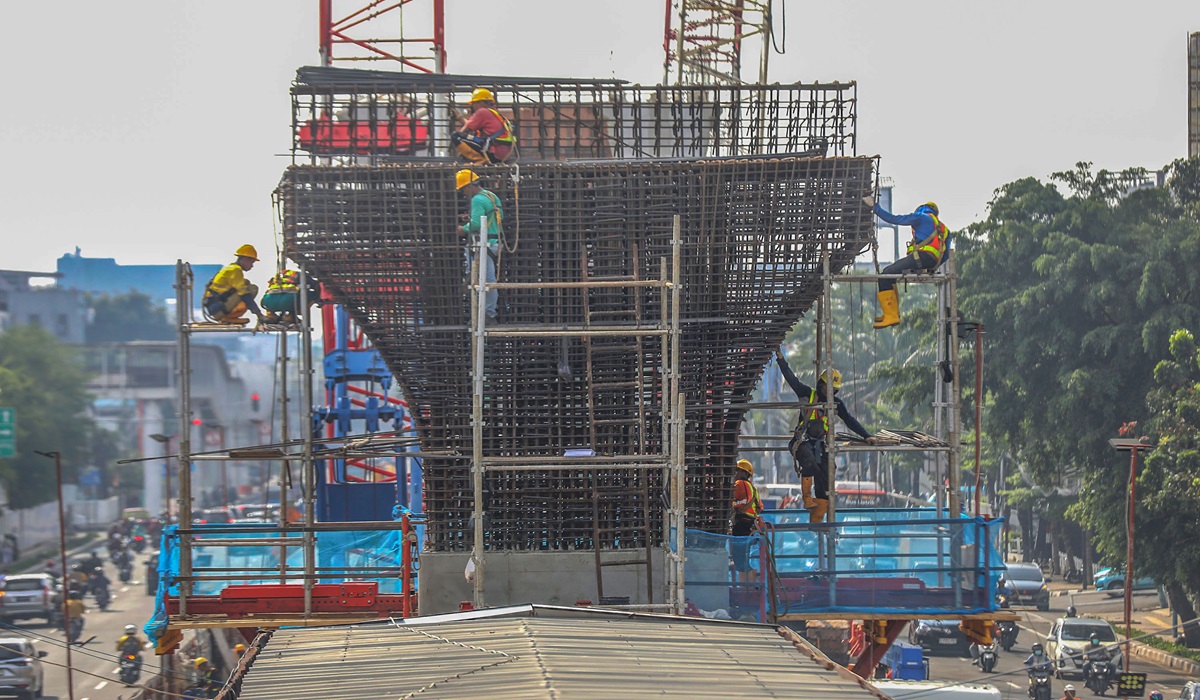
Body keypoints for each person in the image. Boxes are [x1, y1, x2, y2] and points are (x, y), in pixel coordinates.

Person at [776, 348, 875, 523]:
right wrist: (781, 358)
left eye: (835, 390)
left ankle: (817, 522)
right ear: (821, 384)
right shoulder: (808, 394)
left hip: (821, 446)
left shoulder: (836, 404)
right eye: (829, 388)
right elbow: (791, 379)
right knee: (810, 464)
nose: (832, 393)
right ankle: (807, 498)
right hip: (802, 442)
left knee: (825, 482)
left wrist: (866, 436)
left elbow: (850, 420)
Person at [862, 196, 949, 329]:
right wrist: (932, 268)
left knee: (886, 275)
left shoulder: (921, 217)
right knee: (892, 275)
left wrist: (875, 207)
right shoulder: (943, 229)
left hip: (921, 257)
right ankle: (892, 313)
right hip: (932, 262)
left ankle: (891, 315)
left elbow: (895, 219)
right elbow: (946, 254)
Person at [457, 169, 504, 322]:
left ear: (470, 186)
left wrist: (463, 229)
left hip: (483, 245)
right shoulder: (491, 196)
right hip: (494, 243)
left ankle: (487, 315)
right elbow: (497, 217)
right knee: (484, 280)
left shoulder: (477, 199)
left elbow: (477, 224)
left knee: (486, 281)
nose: (464, 193)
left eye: (463, 189)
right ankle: (484, 313)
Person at [203, 244, 266, 325]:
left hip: (214, 307)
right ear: (245, 259)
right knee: (252, 289)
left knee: (246, 283)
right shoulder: (236, 270)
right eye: (251, 262)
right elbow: (244, 294)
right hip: (219, 308)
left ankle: (227, 317)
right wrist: (259, 315)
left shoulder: (230, 268)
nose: (252, 266)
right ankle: (229, 317)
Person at [451, 88, 516, 164]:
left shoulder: (482, 112)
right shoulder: (496, 114)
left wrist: (462, 148)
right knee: (474, 138)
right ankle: (480, 158)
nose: (473, 106)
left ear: (481, 102)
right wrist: (460, 118)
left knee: (456, 136)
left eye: (475, 103)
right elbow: (472, 125)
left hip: (492, 152)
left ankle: (480, 160)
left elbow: (464, 130)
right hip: (503, 155)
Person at [730, 459, 764, 583]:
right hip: (749, 525)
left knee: (739, 559)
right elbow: (760, 507)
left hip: (742, 525)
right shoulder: (752, 488)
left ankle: (749, 587)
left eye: (738, 471)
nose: (736, 474)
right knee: (742, 559)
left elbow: (730, 497)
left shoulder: (740, 484)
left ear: (744, 473)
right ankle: (751, 586)